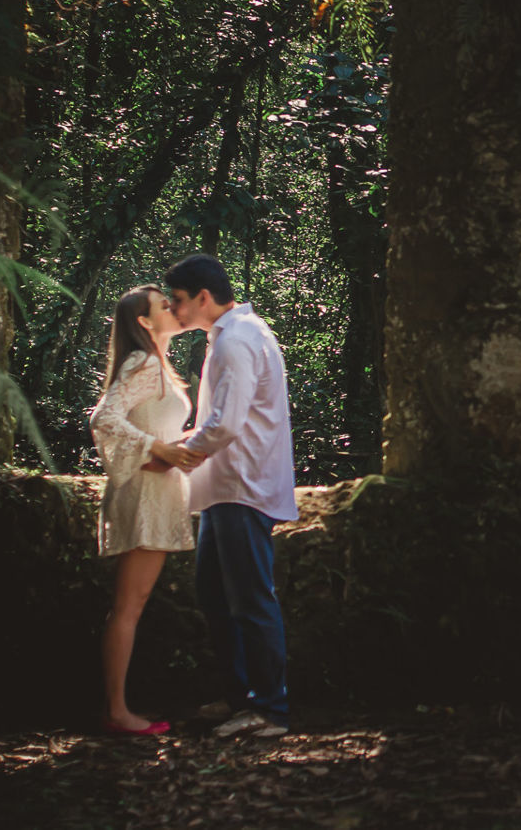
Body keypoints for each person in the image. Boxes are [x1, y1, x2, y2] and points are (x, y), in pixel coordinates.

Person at [163, 253, 297, 740]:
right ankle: (243, 698)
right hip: (223, 487)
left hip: (243, 485)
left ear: (203, 297)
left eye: (178, 300)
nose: (174, 310)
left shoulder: (238, 340)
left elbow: (223, 426)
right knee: (216, 597)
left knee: (250, 600)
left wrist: (173, 455)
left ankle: (271, 709)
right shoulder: (232, 335)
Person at [87, 285, 204, 736]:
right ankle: (116, 712)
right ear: (143, 322)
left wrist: (180, 445)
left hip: (156, 487)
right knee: (128, 607)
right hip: (144, 493)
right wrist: (155, 447)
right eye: (163, 306)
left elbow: (149, 423)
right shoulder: (142, 362)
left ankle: (116, 708)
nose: (174, 309)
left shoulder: (161, 366)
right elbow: (104, 418)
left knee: (131, 605)